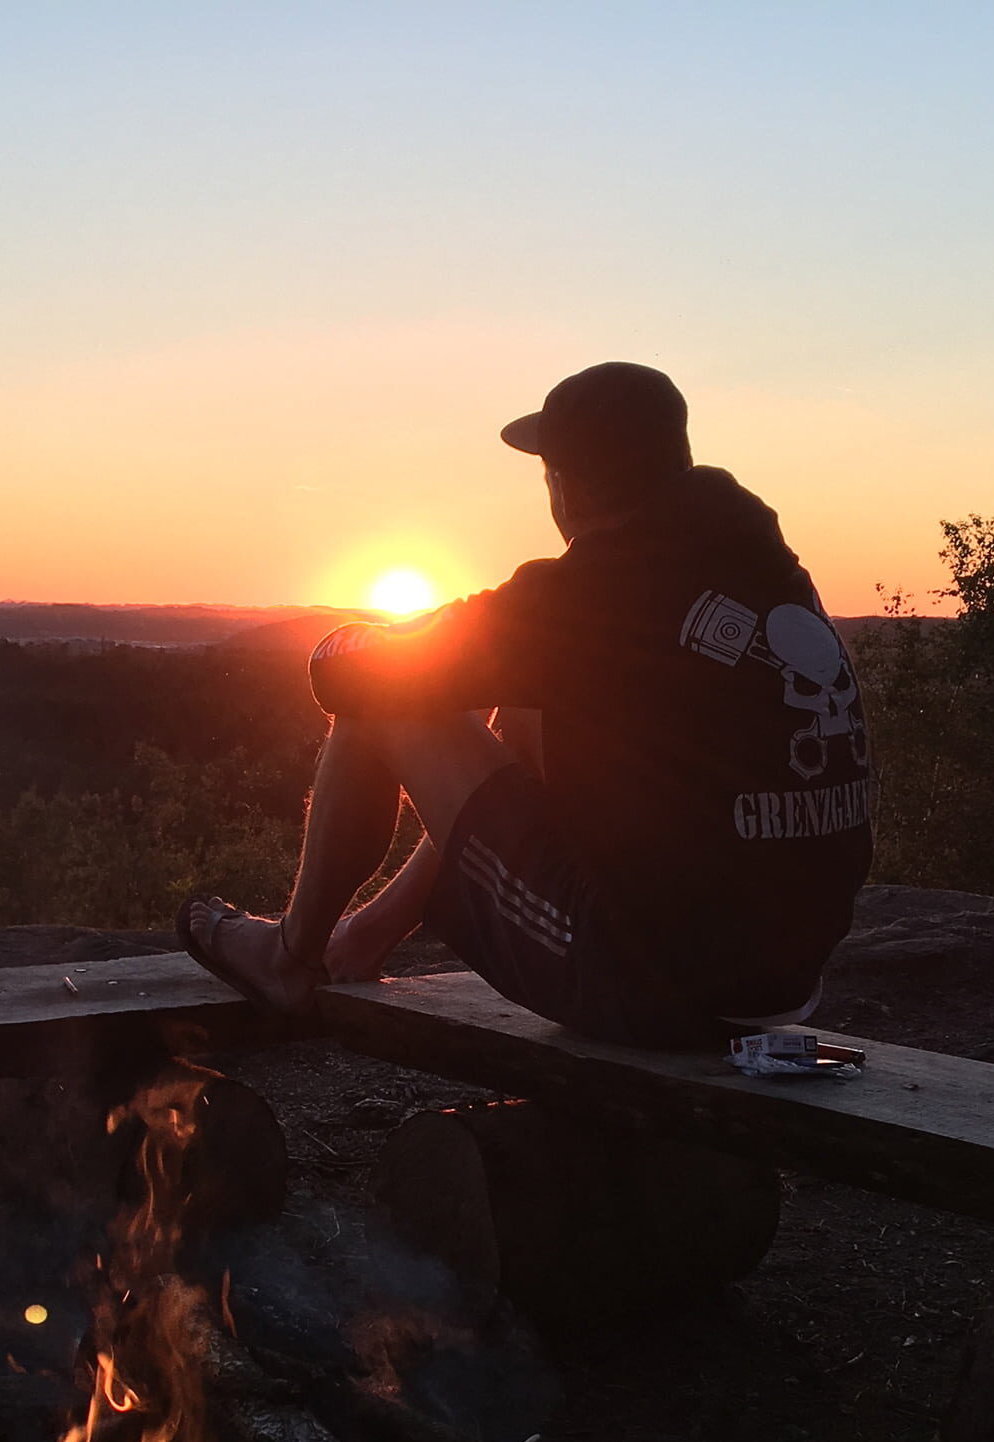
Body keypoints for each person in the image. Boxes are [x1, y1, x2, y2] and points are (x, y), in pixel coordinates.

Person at [179, 363, 871, 1046]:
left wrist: (355, 639)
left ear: (563, 484)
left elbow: (345, 675)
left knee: (381, 700)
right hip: (781, 982)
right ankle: (360, 940)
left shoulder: (590, 594)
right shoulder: (766, 568)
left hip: (656, 986)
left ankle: (289, 957)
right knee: (530, 709)